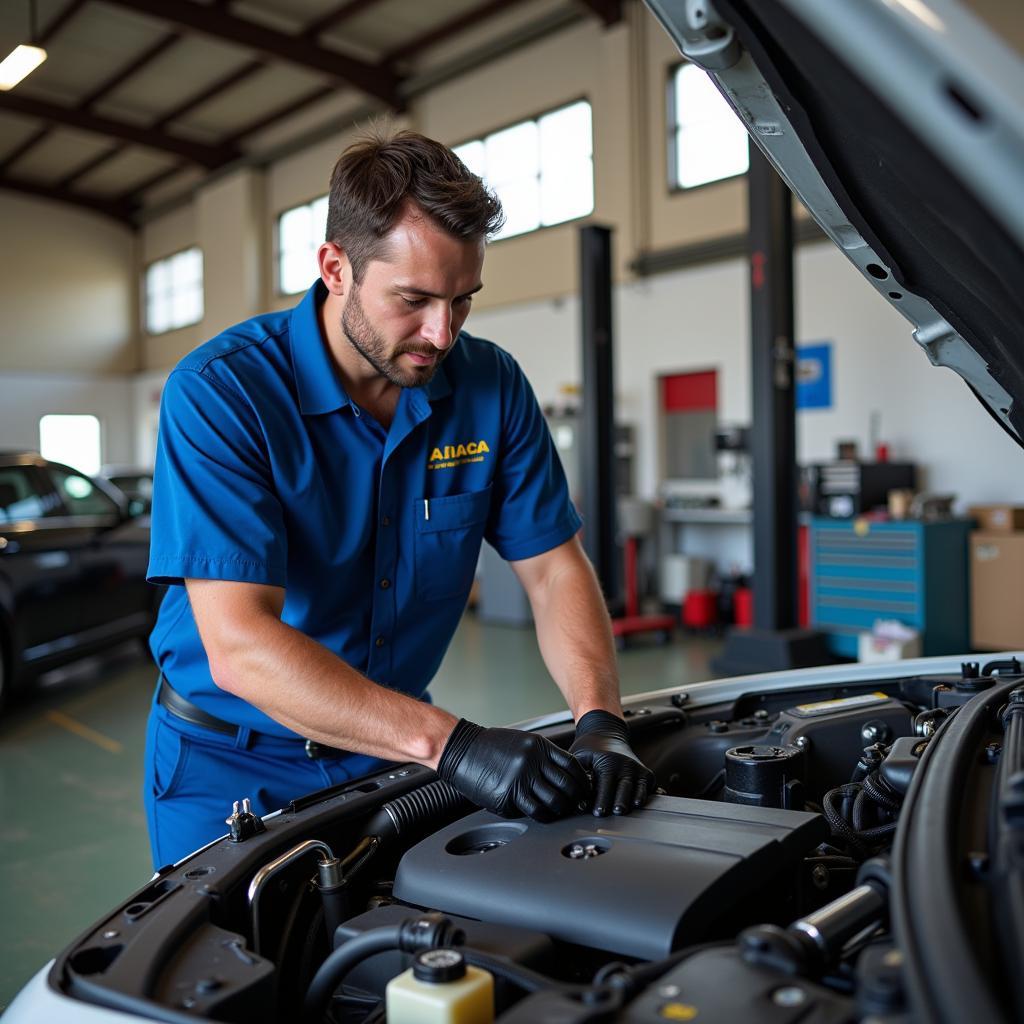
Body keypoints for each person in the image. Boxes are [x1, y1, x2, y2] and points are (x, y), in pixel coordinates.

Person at [143, 128, 654, 868]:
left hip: (389, 754)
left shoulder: (491, 387)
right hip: (231, 765)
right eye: (413, 300)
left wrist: (600, 718)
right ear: (335, 267)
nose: (440, 333)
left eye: (463, 301)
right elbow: (240, 646)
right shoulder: (224, 393)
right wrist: (452, 745)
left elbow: (552, 568)